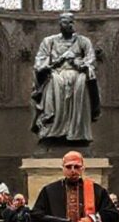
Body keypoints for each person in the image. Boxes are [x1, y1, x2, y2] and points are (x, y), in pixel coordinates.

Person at [31, 13, 101, 146]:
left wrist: (77, 62)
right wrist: (58, 61)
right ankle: (53, 131)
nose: (69, 25)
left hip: (77, 73)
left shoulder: (83, 41)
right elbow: (40, 64)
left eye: (71, 22)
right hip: (55, 73)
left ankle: (78, 133)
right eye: (65, 22)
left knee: (81, 81)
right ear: (60, 25)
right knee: (55, 82)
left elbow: (90, 60)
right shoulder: (49, 42)